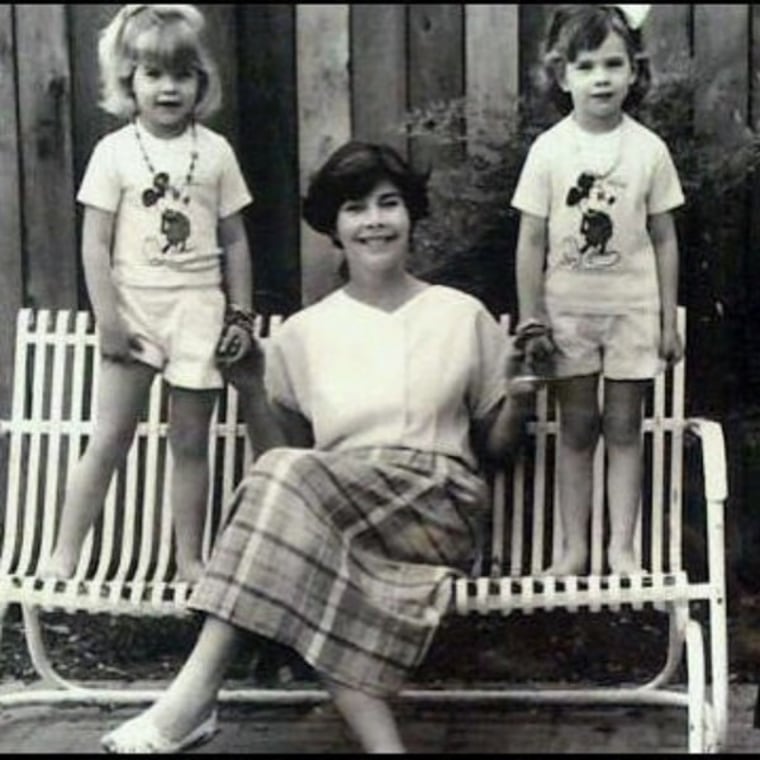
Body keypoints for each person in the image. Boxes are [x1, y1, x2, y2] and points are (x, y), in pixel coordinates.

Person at [100, 140, 535, 754]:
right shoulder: (304, 333)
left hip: (439, 506)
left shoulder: (461, 314)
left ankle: (192, 700)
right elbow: (285, 461)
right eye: (356, 209)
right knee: (306, 547)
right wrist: (251, 383)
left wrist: (517, 398)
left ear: (411, 216)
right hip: (341, 521)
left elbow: (497, 449)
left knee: (296, 509)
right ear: (335, 225)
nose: (376, 221)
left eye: (390, 204)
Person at [43, 4, 257, 583]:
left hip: (198, 309)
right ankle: (64, 551)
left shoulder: (215, 153)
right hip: (135, 307)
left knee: (190, 442)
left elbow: (235, 241)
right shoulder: (113, 153)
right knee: (110, 436)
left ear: (201, 82)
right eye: (153, 74)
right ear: (127, 81)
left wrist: (239, 313)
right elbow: (95, 244)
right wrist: (107, 319)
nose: (169, 88)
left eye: (182, 74)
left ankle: (190, 558)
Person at [511, 4, 684, 577]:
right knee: (579, 427)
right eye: (587, 66)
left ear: (635, 71)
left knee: (624, 428)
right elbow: (531, 241)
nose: (602, 78)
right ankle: (573, 550)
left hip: (631, 311)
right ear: (563, 76)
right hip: (569, 316)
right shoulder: (550, 151)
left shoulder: (648, 151)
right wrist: (532, 317)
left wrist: (664, 322)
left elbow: (663, 238)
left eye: (614, 64)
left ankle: (622, 549)